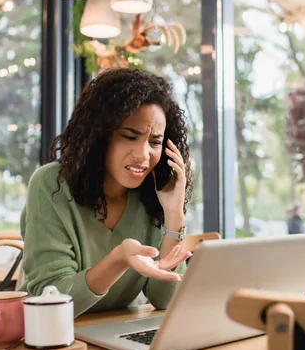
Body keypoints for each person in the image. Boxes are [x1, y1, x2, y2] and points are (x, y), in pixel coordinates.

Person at [20, 68, 193, 316]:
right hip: (56, 337)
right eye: (129, 136)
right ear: (99, 136)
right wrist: (119, 260)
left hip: (118, 336)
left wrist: (174, 214)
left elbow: (166, 300)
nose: (143, 155)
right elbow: (51, 300)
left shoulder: (151, 196)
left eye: (155, 142)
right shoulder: (51, 185)